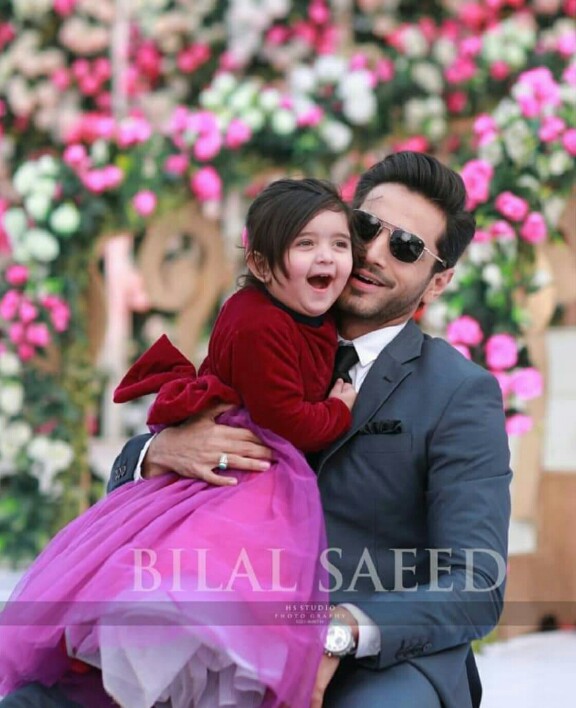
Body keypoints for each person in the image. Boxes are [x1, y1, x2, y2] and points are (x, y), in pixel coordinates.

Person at [105, 152, 512, 708]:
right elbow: (169, 475)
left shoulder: (458, 393)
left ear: (437, 282)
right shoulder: (265, 325)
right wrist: (160, 451)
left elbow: (476, 584)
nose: (371, 253)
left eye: (406, 246)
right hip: (226, 633)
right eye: (365, 227)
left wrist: (340, 632)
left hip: (371, 659)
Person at [0, 178, 363, 708]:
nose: (327, 257)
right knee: (189, 594)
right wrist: (338, 409)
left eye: (339, 243)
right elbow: (287, 420)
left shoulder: (312, 312)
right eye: (305, 244)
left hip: (270, 487)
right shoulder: (260, 322)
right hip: (245, 466)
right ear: (262, 266)